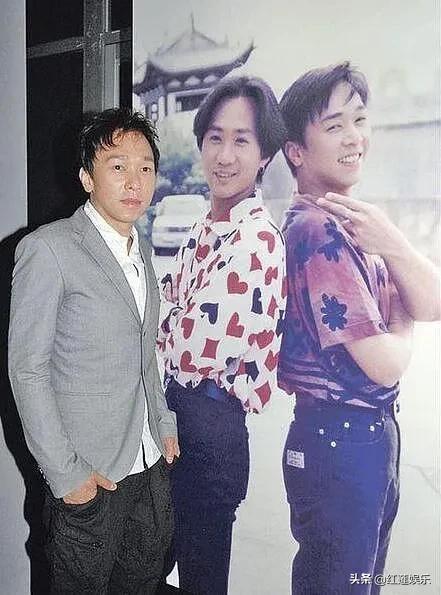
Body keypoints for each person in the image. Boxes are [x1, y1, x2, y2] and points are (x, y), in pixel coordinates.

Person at [277, 62, 440, 595]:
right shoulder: (317, 231)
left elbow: (432, 302)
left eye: (359, 120)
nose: (354, 138)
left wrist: (392, 241)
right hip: (340, 444)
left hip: (360, 439)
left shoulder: (353, 222)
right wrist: (401, 316)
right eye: (334, 126)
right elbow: (385, 363)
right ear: (296, 151)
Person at [8, 108, 179, 594]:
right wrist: (67, 476)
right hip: (90, 473)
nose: (135, 181)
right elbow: (27, 371)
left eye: (145, 167)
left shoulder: (141, 251)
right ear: (87, 178)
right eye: (117, 166)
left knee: (145, 583)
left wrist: (163, 422)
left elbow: (145, 352)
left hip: (148, 464)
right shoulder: (49, 249)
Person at [157, 76, 287, 595]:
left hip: (212, 431)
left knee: (201, 581)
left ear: (264, 154)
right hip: (178, 418)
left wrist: (166, 318)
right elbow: (166, 311)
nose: (225, 156)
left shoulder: (257, 240)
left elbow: (189, 348)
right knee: (146, 566)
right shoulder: (205, 227)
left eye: (241, 140)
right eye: (215, 137)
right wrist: (170, 316)